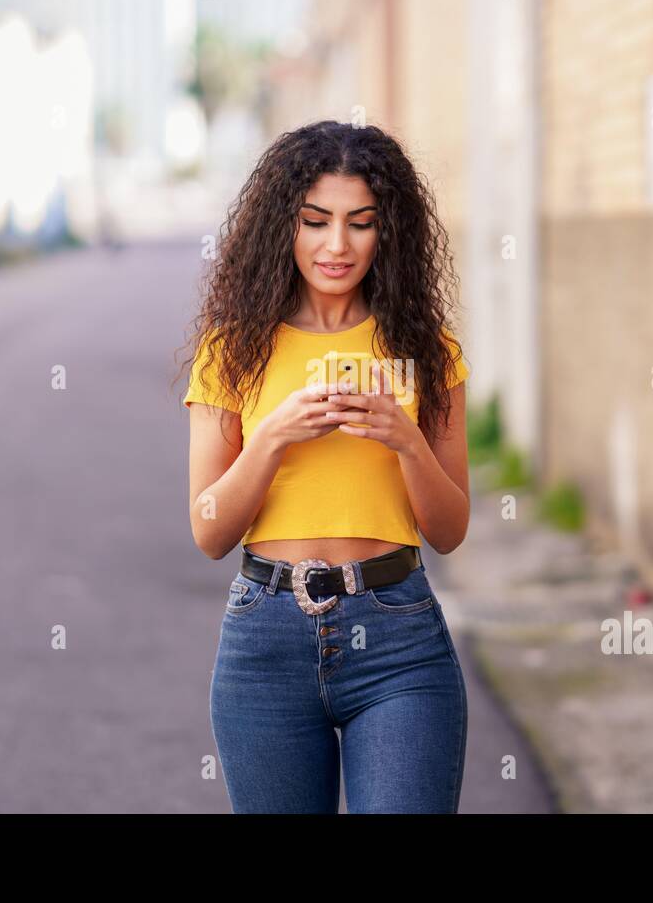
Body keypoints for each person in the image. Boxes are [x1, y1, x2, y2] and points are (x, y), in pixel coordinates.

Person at [178, 120, 471, 813]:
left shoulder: (427, 351)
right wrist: (272, 437)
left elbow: (451, 529)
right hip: (265, 641)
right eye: (316, 221)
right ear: (285, 225)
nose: (337, 245)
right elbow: (209, 531)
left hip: (398, 637)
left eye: (360, 223)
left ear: (387, 232)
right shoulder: (233, 352)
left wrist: (405, 439)